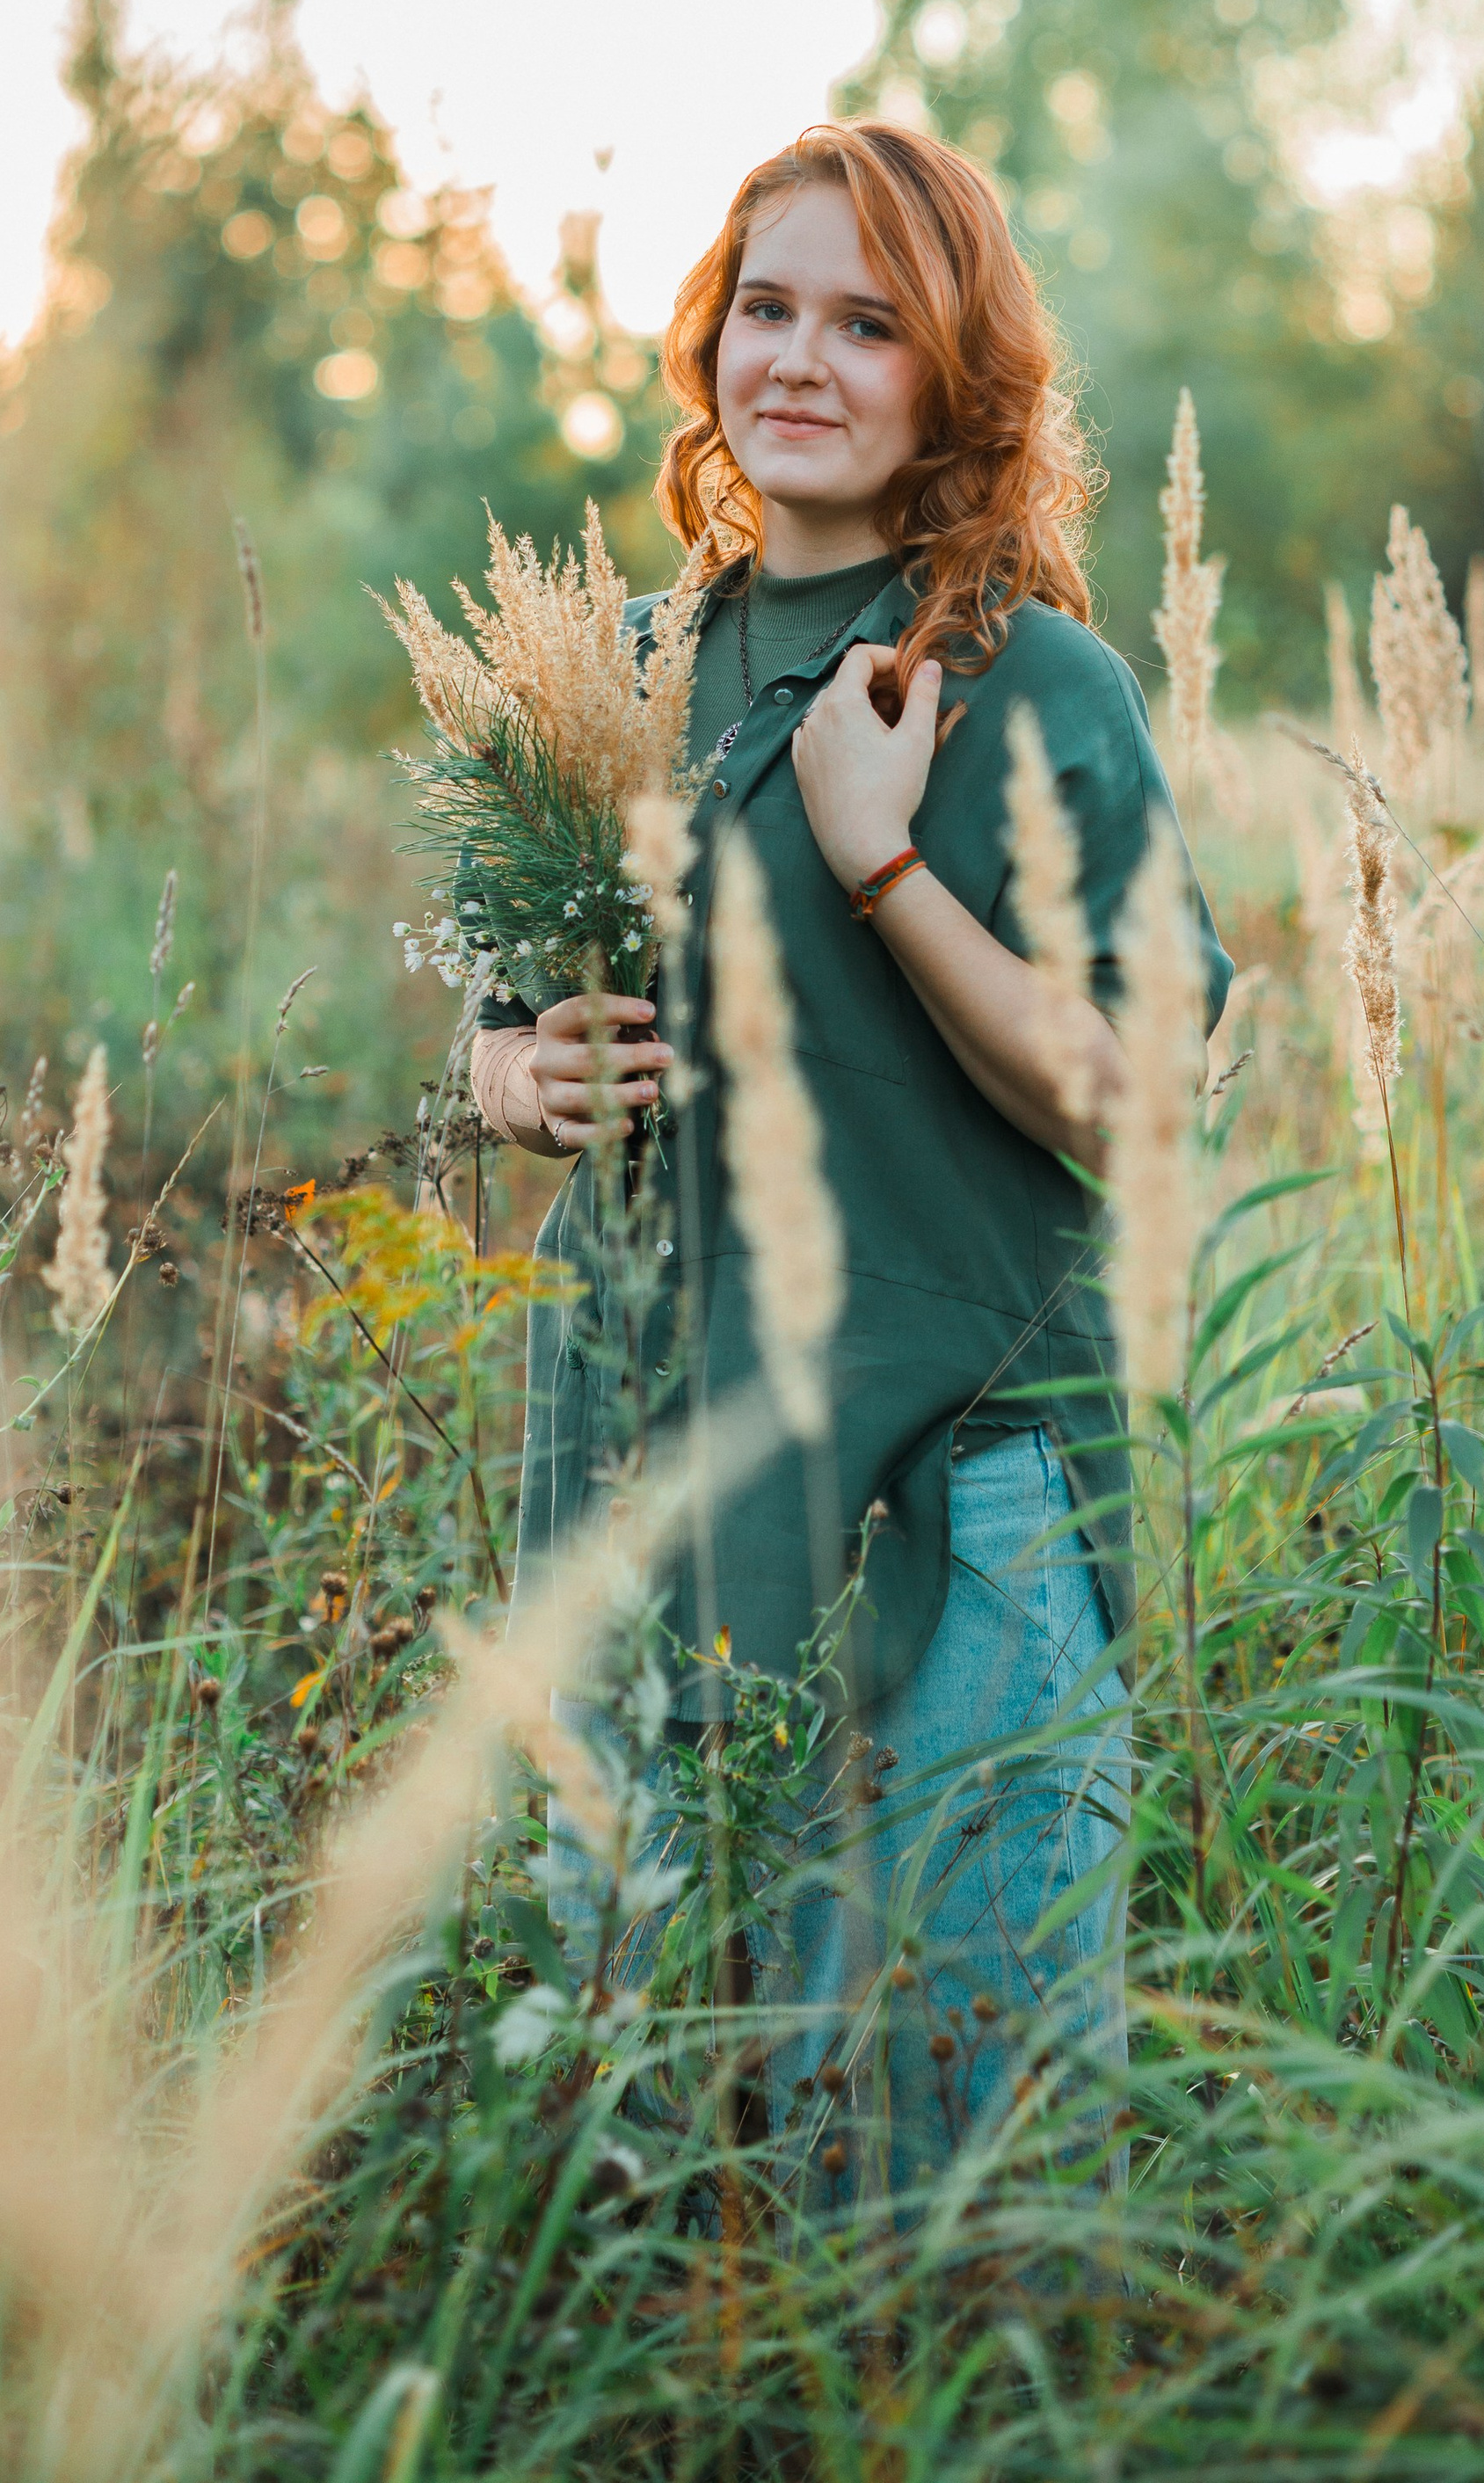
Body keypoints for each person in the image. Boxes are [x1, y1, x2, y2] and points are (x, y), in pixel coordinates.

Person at [469, 120, 1230, 2204]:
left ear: (952, 374)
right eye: (767, 308)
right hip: (646, 1470)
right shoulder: (615, 665)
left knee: (961, 2180)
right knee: (642, 2152)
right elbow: (513, 1008)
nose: (798, 360)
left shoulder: (1028, 681)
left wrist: (881, 861)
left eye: (868, 323)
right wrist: (511, 1075)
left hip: (949, 1491)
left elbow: (1128, 1100)